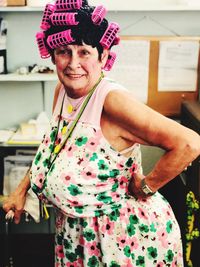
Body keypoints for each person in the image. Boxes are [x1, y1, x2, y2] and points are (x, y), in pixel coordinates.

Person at [3, 0, 200, 266]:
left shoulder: (111, 101)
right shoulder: (62, 92)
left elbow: (189, 143)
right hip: (77, 237)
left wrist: (146, 186)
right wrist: (21, 189)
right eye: (64, 51)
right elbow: (53, 147)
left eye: (84, 52)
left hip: (123, 242)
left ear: (103, 56)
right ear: (52, 56)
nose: (73, 64)